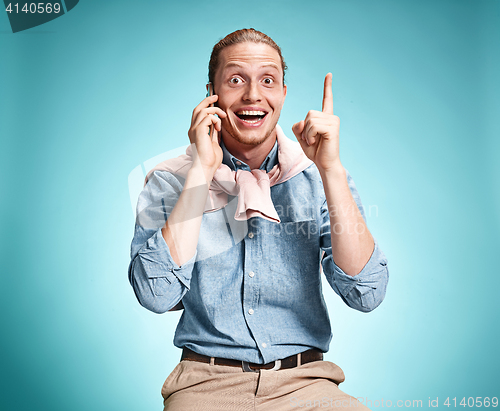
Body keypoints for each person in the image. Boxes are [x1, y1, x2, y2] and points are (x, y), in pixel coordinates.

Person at [128, 28, 389, 410]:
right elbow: (156, 295)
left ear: (283, 93)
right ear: (210, 94)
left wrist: (330, 171)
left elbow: (366, 293)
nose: (253, 95)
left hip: (306, 385)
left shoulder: (318, 177)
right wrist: (201, 173)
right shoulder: (171, 180)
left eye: (268, 80)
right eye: (236, 80)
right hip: (204, 385)